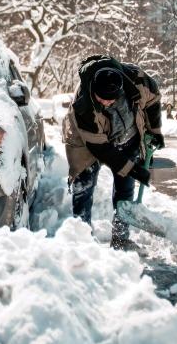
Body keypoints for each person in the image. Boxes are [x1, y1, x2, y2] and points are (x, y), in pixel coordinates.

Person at [63, 55, 163, 249]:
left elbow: (153, 100)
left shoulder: (137, 80)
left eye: (112, 99)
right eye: (102, 99)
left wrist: (155, 131)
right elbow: (101, 149)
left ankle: (120, 238)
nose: (107, 103)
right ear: (93, 90)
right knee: (84, 186)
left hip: (128, 134)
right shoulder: (83, 107)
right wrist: (133, 169)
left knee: (125, 190)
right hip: (87, 142)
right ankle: (82, 241)